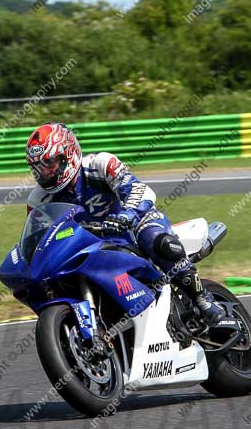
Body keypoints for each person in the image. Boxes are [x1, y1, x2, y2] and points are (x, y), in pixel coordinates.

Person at [25, 122, 224, 326]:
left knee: (154, 239)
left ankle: (202, 298)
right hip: (91, 247)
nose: (45, 173)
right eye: (37, 167)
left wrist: (128, 214)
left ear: (69, 154)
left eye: (49, 163)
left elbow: (138, 189)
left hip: (133, 225)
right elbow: (39, 237)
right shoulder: (37, 200)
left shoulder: (100, 165)